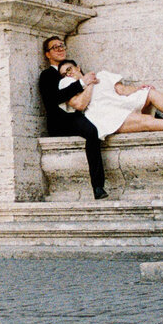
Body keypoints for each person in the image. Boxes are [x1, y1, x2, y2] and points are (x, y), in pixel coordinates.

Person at [38, 34, 109, 200]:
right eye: (55, 47)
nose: (60, 49)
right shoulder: (47, 75)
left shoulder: (72, 67)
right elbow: (54, 98)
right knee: (92, 131)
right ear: (47, 54)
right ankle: (98, 186)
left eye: (62, 45)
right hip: (62, 121)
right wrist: (82, 83)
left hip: (82, 112)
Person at [57, 60, 163, 134]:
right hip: (105, 115)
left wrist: (138, 89)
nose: (68, 73)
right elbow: (81, 105)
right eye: (64, 73)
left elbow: (121, 89)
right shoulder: (69, 88)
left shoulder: (101, 75)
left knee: (150, 93)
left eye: (69, 69)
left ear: (78, 67)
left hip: (120, 101)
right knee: (146, 121)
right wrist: (88, 83)